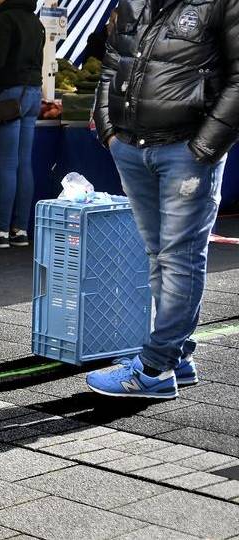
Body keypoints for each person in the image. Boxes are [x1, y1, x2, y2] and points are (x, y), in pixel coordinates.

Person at [86, 0, 238, 399]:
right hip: (131, 146)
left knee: (180, 257)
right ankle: (178, 355)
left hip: (186, 151)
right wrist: (108, 130)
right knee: (159, 254)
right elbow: (111, 62)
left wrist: (204, 148)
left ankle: (154, 368)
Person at [0, 0, 44, 249]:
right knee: (24, 164)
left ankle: (1, 231)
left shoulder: (6, 19)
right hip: (33, 93)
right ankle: (20, 230)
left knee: (6, 166)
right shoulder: (35, 21)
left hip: (8, 96)